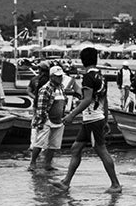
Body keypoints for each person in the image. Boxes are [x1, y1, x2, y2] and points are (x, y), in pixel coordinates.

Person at [52, 47, 121, 193]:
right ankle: (66, 182)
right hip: (94, 118)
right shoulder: (101, 76)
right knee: (76, 148)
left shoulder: (88, 77)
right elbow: (104, 99)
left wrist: (71, 114)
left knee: (101, 150)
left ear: (83, 61)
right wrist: (106, 118)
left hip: (93, 120)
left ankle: (115, 184)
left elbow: (87, 99)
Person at [28, 65, 68, 172]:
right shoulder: (45, 89)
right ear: (52, 77)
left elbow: (64, 102)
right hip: (47, 120)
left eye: (60, 77)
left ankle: (47, 164)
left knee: (53, 145)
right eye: (57, 77)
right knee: (39, 143)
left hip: (58, 120)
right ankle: (32, 162)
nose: (60, 78)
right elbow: (41, 108)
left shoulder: (61, 88)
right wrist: (42, 121)